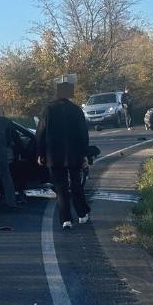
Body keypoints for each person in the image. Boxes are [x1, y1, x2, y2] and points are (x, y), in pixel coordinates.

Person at [37, 82, 91, 230]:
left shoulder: (48, 109)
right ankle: (81, 214)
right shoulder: (76, 110)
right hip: (74, 154)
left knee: (60, 187)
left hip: (54, 155)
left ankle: (66, 219)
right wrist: (84, 154)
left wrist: (40, 153)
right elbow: (83, 135)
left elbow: (41, 133)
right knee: (76, 184)